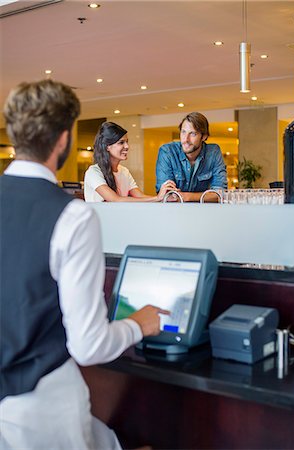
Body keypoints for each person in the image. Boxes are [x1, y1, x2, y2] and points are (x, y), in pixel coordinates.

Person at [0, 79, 169, 450]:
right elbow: (89, 345)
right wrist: (139, 323)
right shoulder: (72, 217)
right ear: (63, 138)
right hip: (43, 410)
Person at [84, 121, 176, 202]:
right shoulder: (94, 172)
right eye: (121, 142)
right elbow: (115, 199)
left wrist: (163, 198)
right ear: (107, 146)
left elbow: (140, 196)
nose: (127, 146)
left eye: (127, 142)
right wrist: (157, 198)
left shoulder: (124, 171)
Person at [155, 112, 227, 202]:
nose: (186, 139)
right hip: (173, 213)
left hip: (205, 213)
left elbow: (220, 194)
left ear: (204, 136)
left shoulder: (213, 152)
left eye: (192, 134)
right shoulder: (167, 152)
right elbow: (166, 196)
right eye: (183, 132)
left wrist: (187, 197)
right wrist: (206, 196)